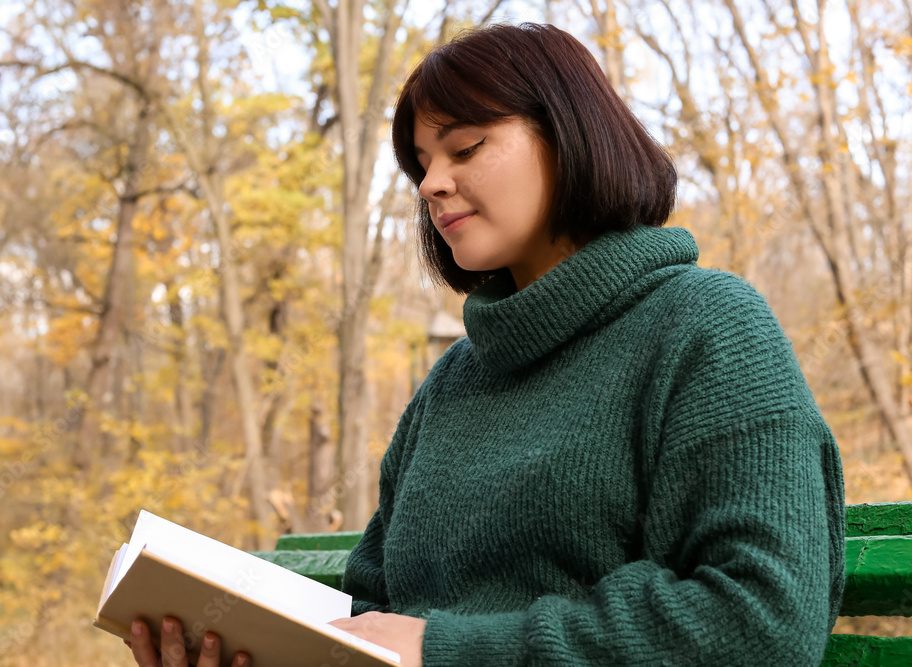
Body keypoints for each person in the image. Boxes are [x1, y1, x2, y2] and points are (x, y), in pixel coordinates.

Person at [127, 21, 845, 667]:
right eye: (421, 164)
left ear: (570, 136)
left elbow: (762, 619)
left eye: (466, 146)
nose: (434, 183)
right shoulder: (453, 382)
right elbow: (376, 616)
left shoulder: (708, 328)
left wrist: (454, 649)